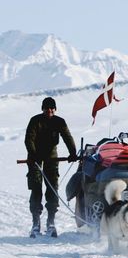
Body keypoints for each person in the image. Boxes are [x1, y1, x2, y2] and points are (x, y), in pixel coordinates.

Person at [24, 97, 77, 238]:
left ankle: (51, 222)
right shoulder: (35, 120)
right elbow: (29, 138)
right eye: (47, 108)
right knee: (36, 188)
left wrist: (73, 152)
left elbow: (67, 136)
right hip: (35, 158)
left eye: (52, 108)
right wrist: (33, 154)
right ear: (43, 109)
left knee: (52, 187)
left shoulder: (59, 121)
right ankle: (35, 223)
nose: (49, 110)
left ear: (55, 109)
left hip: (51, 157)